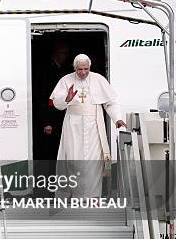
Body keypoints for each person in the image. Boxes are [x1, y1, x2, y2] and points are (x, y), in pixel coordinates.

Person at [50, 54, 127, 197]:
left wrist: (117, 118)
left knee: (94, 162)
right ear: (74, 68)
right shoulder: (66, 80)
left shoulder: (98, 79)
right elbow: (56, 103)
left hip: (94, 126)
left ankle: (92, 196)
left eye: (86, 69)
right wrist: (67, 98)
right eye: (80, 69)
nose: (83, 72)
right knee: (74, 161)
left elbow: (110, 102)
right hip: (73, 125)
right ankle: (75, 195)